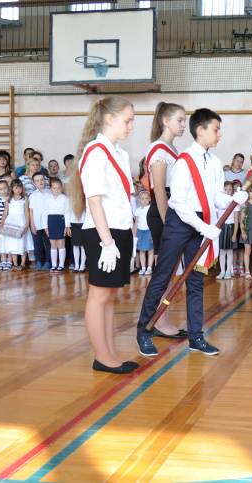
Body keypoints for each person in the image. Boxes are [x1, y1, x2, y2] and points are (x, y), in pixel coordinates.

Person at [137, 108, 248, 358]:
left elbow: (215, 196)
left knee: (195, 281)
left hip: (202, 224)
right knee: (163, 276)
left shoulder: (215, 162)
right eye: (216, 129)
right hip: (181, 223)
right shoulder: (184, 160)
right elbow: (178, 202)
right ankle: (144, 332)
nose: (219, 134)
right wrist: (202, 227)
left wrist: (234, 198)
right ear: (201, 130)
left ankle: (196, 337)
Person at [69, 96, 138, 374]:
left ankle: (110, 352)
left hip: (118, 230)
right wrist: (107, 242)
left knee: (110, 295)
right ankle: (102, 357)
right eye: (127, 120)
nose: (131, 126)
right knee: (98, 295)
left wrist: (126, 234)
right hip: (101, 233)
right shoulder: (95, 151)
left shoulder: (119, 153)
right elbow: (94, 202)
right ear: (109, 118)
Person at [143, 101, 187, 337]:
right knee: (165, 272)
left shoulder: (172, 150)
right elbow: (159, 190)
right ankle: (159, 322)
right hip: (163, 213)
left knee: (170, 272)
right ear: (165, 121)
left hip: (172, 212)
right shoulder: (159, 149)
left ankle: (162, 320)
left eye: (184, 121)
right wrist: (169, 223)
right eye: (179, 120)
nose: (183, 125)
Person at [0, 179, 33, 271]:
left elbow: (26, 211)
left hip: (21, 221)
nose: (18, 190)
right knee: (12, 243)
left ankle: (22, 264)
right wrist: (2, 223)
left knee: (22, 243)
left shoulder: (25, 199)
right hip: (11, 222)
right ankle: (15, 264)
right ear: (12, 188)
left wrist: (27, 224)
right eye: (16, 188)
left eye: (20, 188)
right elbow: (5, 211)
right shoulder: (8, 199)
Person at [43, 176, 70, 273]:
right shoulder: (47, 198)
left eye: (59, 188)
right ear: (50, 189)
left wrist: (67, 226)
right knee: (53, 244)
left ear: (61, 188)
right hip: (51, 221)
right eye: (54, 188)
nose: (57, 190)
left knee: (61, 243)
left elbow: (67, 212)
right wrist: (45, 226)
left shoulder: (65, 198)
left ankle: (61, 264)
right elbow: (44, 213)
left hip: (60, 221)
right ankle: (54, 264)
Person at [29, 171, 51, 270]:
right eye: (37, 181)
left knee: (48, 243)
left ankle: (48, 261)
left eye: (42, 179)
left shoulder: (50, 193)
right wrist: (32, 224)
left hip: (48, 224)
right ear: (34, 183)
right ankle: (38, 261)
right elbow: (31, 211)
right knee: (37, 243)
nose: (40, 182)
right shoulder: (33, 195)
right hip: (37, 223)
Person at [217, 181, 240, 279]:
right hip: (221, 228)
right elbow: (217, 217)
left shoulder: (234, 203)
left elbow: (236, 220)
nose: (227, 191)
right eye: (225, 189)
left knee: (229, 251)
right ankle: (222, 271)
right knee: (222, 250)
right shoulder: (218, 202)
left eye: (230, 190)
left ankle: (228, 272)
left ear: (232, 191)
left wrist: (234, 233)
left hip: (230, 227)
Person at [133, 190, 154, 275]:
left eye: (146, 198)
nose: (144, 200)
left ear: (149, 199)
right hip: (140, 231)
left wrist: (153, 233)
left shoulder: (151, 209)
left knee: (150, 250)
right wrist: (134, 235)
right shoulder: (137, 210)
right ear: (139, 200)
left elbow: (153, 222)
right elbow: (136, 223)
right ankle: (143, 267)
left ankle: (149, 268)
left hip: (149, 231)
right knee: (141, 251)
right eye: (142, 198)